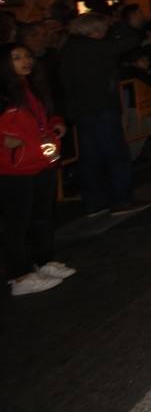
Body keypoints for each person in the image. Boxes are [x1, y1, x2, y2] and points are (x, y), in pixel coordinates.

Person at [0, 43, 75, 295]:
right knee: (16, 223)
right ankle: (19, 276)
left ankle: (42, 261)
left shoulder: (31, 88)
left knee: (42, 215)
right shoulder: (4, 93)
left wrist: (55, 123)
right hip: (14, 168)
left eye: (27, 55)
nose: (25, 61)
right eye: (17, 58)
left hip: (42, 161)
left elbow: (44, 116)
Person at [58, 13, 148, 215]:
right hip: (100, 107)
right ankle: (121, 200)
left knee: (91, 156)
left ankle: (94, 201)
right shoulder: (92, 47)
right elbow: (129, 43)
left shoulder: (68, 49)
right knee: (115, 153)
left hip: (82, 110)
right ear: (93, 30)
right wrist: (124, 27)